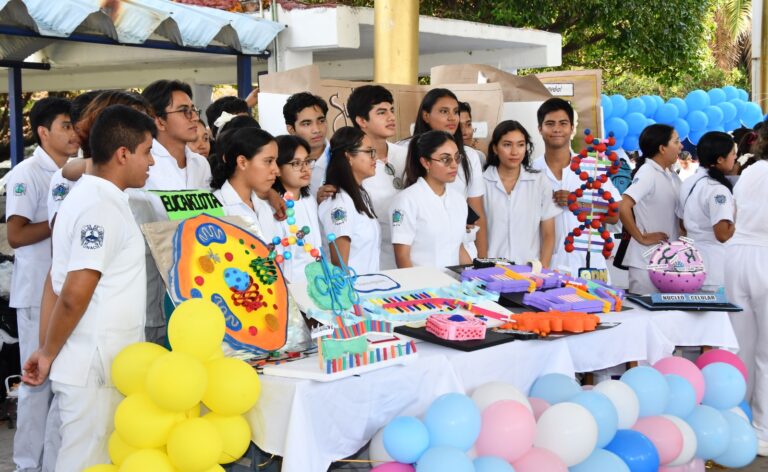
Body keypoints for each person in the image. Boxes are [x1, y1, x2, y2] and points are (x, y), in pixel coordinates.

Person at [22, 105, 156, 471]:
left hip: (93, 356)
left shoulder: (92, 196)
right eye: (147, 152)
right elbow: (74, 291)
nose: (152, 163)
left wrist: (46, 347)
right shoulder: (100, 206)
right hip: (95, 360)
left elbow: (56, 278)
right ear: (123, 154)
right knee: (85, 459)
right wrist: (47, 351)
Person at [6, 97, 76, 472]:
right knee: (36, 385)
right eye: (65, 125)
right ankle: (26, 465)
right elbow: (15, 235)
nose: (73, 132)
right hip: (36, 294)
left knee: (62, 383)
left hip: (67, 293)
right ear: (43, 132)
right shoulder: (27, 174)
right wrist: (63, 221)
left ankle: (53, 463)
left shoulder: (75, 172)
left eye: (74, 125)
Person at [531, 98, 622, 280]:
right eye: (550, 124)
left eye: (563, 123)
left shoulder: (592, 168)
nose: (557, 129)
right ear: (540, 129)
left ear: (572, 128)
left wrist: (579, 203)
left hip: (590, 268)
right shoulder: (531, 172)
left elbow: (615, 214)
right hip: (548, 266)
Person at [725, 123, 768, 456]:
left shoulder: (750, 170)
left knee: (740, 347)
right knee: (766, 353)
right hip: (763, 255)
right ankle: (763, 430)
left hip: (737, 256)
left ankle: (736, 420)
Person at [411, 88, 488, 258]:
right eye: (444, 111)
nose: (452, 118)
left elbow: (478, 213)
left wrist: (482, 262)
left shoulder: (469, 156)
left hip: (462, 251)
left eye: (455, 112)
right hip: (421, 252)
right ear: (426, 116)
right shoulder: (405, 151)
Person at [482, 120, 560, 266]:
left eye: (520, 144)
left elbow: (549, 234)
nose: (515, 152)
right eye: (507, 144)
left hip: (529, 271)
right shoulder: (482, 182)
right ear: (495, 148)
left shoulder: (539, 181)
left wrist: (541, 270)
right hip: (491, 271)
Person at [347, 85, 408, 269]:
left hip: (407, 255)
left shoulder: (406, 155)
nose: (391, 117)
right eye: (381, 112)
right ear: (361, 121)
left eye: (391, 110)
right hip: (369, 260)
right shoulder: (351, 162)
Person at [388, 131, 469, 268]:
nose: (454, 165)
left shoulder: (458, 199)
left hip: (455, 286)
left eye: (456, 158)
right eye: (445, 159)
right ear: (426, 162)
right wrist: (418, 289)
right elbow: (402, 257)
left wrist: (475, 279)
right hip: (423, 286)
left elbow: (459, 248)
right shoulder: (406, 201)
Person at [619, 124, 683, 294]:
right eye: (676, 142)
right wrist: (641, 237)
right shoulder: (647, 172)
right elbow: (624, 205)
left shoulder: (672, 175)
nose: (681, 146)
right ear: (662, 148)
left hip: (670, 260)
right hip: (646, 262)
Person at [677, 131, 736, 292]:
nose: (735, 158)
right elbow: (722, 234)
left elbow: (682, 223)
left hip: (692, 263)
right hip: (715, 268)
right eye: (732, 154)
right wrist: (738, 214)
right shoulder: (718, 190)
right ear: (720, 159)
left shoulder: (688, 182)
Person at [318, 127, 380, 273]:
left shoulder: (359, 194)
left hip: (369, 287)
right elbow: (340, 266)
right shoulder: (339, 202)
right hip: (352, 291)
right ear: (349, 157)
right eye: (369, 151)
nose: (374, 157)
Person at [211, 126, 280, 238]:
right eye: (268, 161)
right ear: (242, 162)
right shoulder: (217, 208)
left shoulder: (265, 207)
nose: (276, 170)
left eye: (275, 161)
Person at [141, 79, 211, 190]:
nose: (195, 118)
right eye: (184, 111)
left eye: (193, 110)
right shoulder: (144, 164)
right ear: (159, 121)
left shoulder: (201, 164)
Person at [272, 135, 322, 283]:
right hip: (290, 289)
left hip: (317, 284)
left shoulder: (309, 200)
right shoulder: (273, 205)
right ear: (277, 169)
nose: (304, 168)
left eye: (307, 162)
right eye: (296, 163)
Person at [283, 92, 332, 197]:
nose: (316, 129)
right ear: (291, 130)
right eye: (306, 124)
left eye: (321, 121)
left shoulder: (345, 157)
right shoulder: (280, 163)